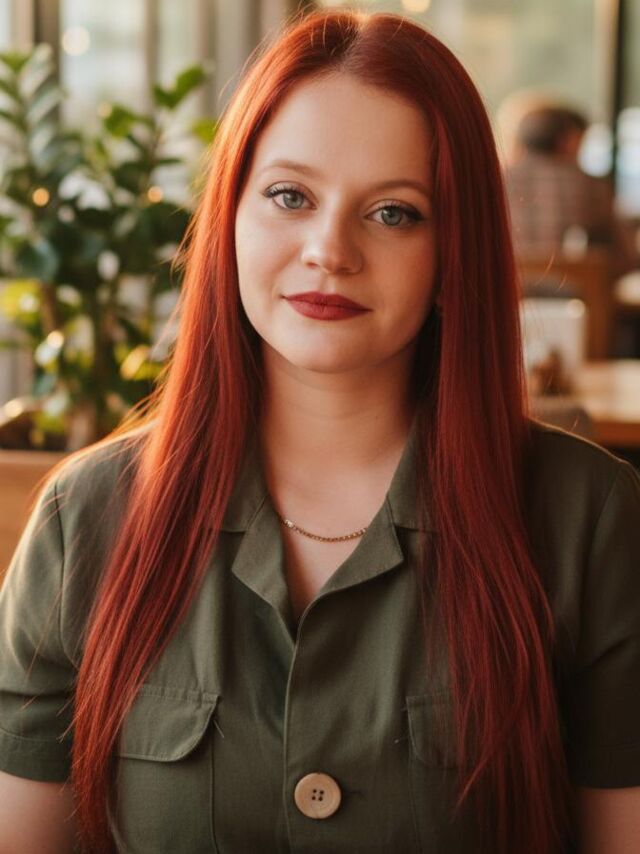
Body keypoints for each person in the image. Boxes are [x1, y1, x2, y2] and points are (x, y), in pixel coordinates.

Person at [1, 10, 639, 854]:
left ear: (454, 253)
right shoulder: (87, 517)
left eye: (394, 213)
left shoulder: (589, 518)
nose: (330, 250)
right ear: (230, 216)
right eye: (290, 196)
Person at [504, 103, 638, 276]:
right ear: (566, 141)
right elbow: (626, 256)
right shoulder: (591, 185)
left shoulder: (499, 180)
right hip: (576, 289)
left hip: (509, 284)